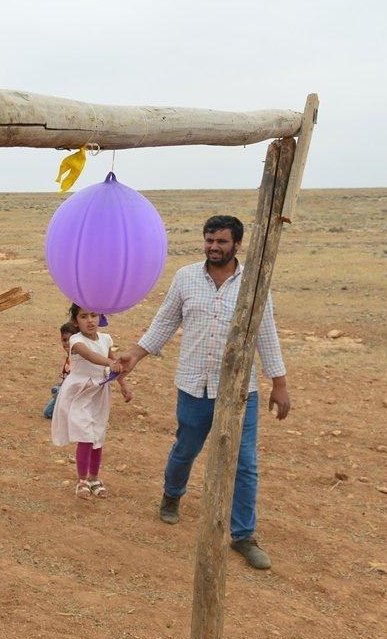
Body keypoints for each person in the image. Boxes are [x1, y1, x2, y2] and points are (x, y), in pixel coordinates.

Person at [117, 214, 290, 571]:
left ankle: (243, 536)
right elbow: (165, 322)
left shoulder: (255, 281)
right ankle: (172, 495)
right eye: (209, 240)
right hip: (194, 385)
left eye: (222, 241)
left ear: (237, 244)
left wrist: (279, 382)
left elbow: (266, 331)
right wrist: (135, 354)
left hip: (239, 391)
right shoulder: (186, 277)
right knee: (186, 450)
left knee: (244, 463)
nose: (214, 247)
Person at [52, 304, 131, 500]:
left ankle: (94, 478)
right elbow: (90, 356)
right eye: (84, 316)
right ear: (75, 321)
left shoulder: (106, 339)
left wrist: (123, 385)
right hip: (80, 393)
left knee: (97, 435)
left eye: (94, 315)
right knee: (85, 435)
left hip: (99, 393)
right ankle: (82, 481)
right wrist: (110, 363)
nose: (90, 320)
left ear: (100, 317)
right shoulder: (76, 341)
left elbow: (115, 365)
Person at [43, 321, 77, 419]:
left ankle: (74, 410)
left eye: (70, 340)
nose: (67, 343)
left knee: (56, 391)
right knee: (48, 412)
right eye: (64, 340)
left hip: (74, 392)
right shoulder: (69, 358)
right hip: (65, 389)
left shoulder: (78, 358)